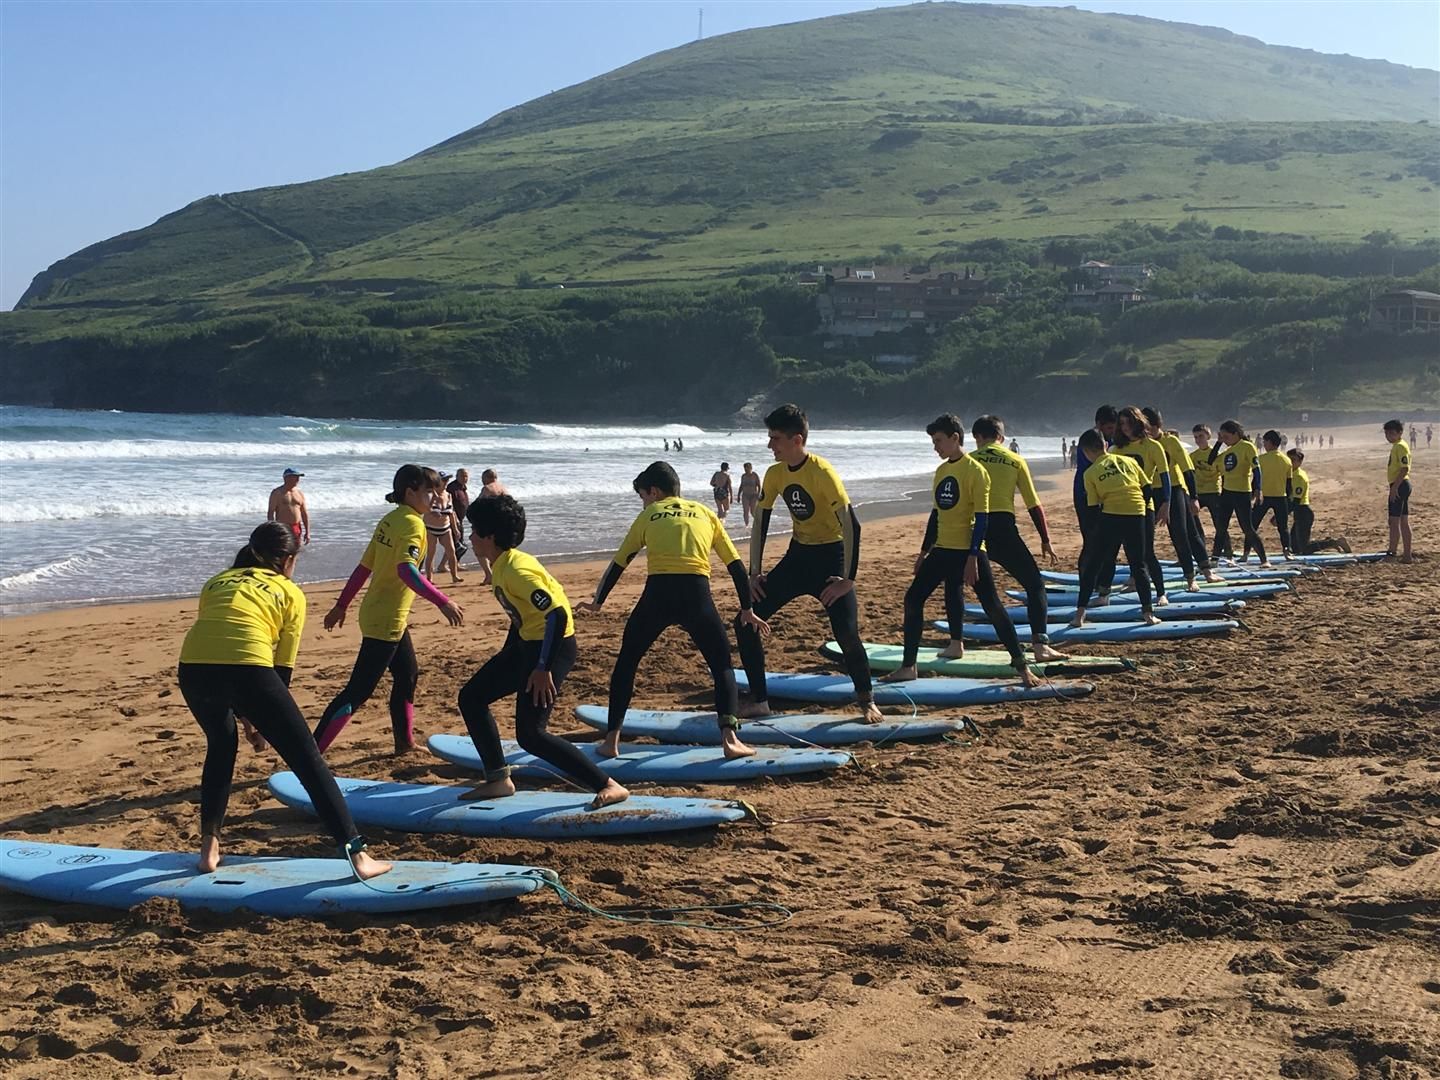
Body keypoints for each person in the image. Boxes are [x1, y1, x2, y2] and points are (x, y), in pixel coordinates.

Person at [178, 522, 390, 880]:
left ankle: (209, 849)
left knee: (220, 745)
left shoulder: (216, 582)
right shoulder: (289, 592)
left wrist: (253, 720)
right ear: (288, 560)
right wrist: (263, 721)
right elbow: (280, 669)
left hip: (194, 669)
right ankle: (358, 856)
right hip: (250, 670)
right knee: (307, 758)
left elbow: (220, 646)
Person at [580, 461, 769, 760]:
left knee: (627, 662)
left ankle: (611, 740)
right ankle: (730, 739)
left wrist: (598, 601)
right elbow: (734, 565)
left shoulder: (650, 514)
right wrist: (746, 608)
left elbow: (619, 562)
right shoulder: (706, 514)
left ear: (653, 492)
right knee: (721, 665)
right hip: (697, 597)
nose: (643, 503)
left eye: (643, 496)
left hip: (657, 596)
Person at [456, 495, 630, 808]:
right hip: (529, 644)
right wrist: (507, 656)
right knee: (471, 697)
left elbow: (557, 615)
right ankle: (498, 778)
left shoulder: (517, 571)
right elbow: (522, 616)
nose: (470, 538)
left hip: (554, 648)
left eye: (473, 532)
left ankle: (607, 784)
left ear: (489, 537)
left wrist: (542, 667)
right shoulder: (503, 566)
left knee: (531, 734)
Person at [738, 404, 881, 724]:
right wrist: (754, 573)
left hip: (832, 560)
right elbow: (760, 521)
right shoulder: (774, 474)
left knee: (845, 633)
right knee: (745, 622)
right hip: (798, 558)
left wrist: (848, 579)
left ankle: (867, 700)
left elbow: (851, 525)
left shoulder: (822, 472)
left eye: (775, 438)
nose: (769, 445)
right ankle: (759, 701)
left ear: (796, 440)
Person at [313, 466, 464, 755]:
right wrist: (443, 601)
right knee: (357, 691)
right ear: (410, 492)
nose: (436, 496)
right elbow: (406, 570)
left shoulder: (390, 520)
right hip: (387, 619)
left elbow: (363, 567)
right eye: (429, 491)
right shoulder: (412, 525)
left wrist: (341, 605)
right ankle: (311, 754)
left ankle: (404, 743)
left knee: (408, 674)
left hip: (380, 613)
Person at [883, 415, 1035, 685]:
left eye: (939, 441)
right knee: (913, 598)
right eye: (933, 442)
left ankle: (1022, 667)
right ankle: (909, 666)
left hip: (968, 552)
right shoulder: (942, 472)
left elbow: (982, 518)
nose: (935, 447)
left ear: (956, 438)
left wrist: (974, 556)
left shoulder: (976, 471)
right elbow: (936, 516)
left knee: (992, 606)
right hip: (942, 550)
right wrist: (923, 552)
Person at [968, 415, 1063, 661]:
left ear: (977, 437)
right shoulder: (1015, 460)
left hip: (971, 530)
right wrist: (1045, 539)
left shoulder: (968, 461)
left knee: (962, 587)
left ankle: (955, 643)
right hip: (1003, 529)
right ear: (1001, 437)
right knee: (1034, 584)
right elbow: (1034, 504)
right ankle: (1041, 646)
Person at [1069, 431, 1159, 628]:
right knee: (1139, 564)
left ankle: (1079, 615)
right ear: (1104, 445)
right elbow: (1147, 488)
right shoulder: (1129, 462)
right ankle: (1148, 613)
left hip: (1111, 516)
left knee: (1093, 564)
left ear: (1084, 451)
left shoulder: (1090, 472)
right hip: (1137, 514)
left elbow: (1092, 508)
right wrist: (1141, 510)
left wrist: (1096, 533)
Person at [1144, 408, 1222, 590]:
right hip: (1150, 491)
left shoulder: (1171, 442)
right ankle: (1137, 577)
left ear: (1155, 426)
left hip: (1175, 490)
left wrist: (1194, 497)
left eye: (1147, 427)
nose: (1145, 431)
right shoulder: (1143, 444)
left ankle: (1198, 574)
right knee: (1143, 536)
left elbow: (1188, 470)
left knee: (1183, 533)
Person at [1109, 406, 1170, 606]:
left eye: (1128, 423)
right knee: (1130, 551)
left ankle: (1161, 592)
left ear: (1138, 422)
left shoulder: (1152, 446)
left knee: (1147, 552)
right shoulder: (1116, 449)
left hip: (1145, 504)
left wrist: (1166, 504)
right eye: (1121, 424)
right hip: (1120, 507)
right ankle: (1137, 584)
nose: (1124, 428)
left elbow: (1164, 476)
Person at [1207, 420, 1271, 567]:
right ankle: (1215, 559)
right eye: (1222, 437)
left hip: (1242, 493)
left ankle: (1264, 559)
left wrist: (1258, 489)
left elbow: (1257, 470)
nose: (1225, 440)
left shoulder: (1247, 447)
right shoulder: (1227, 451)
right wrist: (1218, 442)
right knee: (1221, 527)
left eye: (1226, 437)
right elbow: (1211, 461)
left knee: (1247, 527)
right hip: (1227, 493)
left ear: (1236, 434)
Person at [1073, 406, 1118, 583]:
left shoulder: (1112, 441)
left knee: (1106, 541)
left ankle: (1100, 579)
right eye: (1108, 428)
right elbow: (1094, 469)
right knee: (1091, 540)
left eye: (1114, 428)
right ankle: (1086, 578)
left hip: (1104, 497)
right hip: (1084, 495)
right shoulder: (1089, 441)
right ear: (1099, 424)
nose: (1112, 432)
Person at [1286, 449, 1350, 554]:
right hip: (1298, 513)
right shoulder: (1291, 474)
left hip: (1303, 513)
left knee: (1304, 549)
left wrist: (1283, 514)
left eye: (1293, 460)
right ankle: (1329, 542)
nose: (1290, 463)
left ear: (1300, 462)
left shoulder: (1299, 477)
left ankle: (1335, 542)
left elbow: (1296, 501)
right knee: (1296, 548)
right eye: (1288, 460)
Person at [1249, 430, 1293, 560]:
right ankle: (1287, 551)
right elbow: (1289, 483)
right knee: (1283, 527)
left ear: (1269, 442)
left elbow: (1255, 480)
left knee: (1252, 525)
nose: (1264, 444)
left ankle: (1246, 553)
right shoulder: (1287, 460)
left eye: (1265, 441)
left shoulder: (1261, 459)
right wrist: (1289, 500)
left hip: (1263, 497)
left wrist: (1252, 494)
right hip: (1281, 497)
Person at [1191, 424, 1233, 560]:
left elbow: (1224, 475)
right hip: (1198, 494)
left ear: (1208, 436)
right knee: (1193, 522)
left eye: (1201, 436)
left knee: (1219, 524)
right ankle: (1200, 550)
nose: (1198, 440)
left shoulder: (1217, 454)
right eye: (1196, 437)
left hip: (1214, 492)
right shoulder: (1192, 456)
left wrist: (1226, 493)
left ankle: (1227, 552)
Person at [423, 477, 463, 585]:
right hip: (431, 528)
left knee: (451, 552)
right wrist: (432, 511)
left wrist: (455, 529)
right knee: (431, 554)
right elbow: (423, 509)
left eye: (446, 482)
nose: (445, 484)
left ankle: (455, 576)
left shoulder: (448, 495)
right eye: (443, 482)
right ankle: (429, 578)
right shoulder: (431, 496)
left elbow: (451, 513)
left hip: (445, 528)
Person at [1384, 419, 1413, 562]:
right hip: (1402, 484)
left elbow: (1404, 468)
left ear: (1400, 433)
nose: (1388, 436)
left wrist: (1394, 488)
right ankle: (1407, 555)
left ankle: (1392, 553)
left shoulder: (1400, 446)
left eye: (1391, 433)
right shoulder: (1397, 445)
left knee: (1394, 520)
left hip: (1400, 485)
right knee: (1403, 520)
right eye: (1387, 433)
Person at [475, 469, 509, 585]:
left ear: (487, 478)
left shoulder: (487, 489)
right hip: (503, 523)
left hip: (489, 524)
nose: (482, 481)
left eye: (483, 478)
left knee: (480, 550)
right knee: (499, 550)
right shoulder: (503, 488)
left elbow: (478, 505)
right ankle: (502, 575)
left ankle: (489, 575)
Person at [267, 468, 310, 546]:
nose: (298, 479)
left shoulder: (299, 493)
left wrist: (307, 532)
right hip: (283, 528)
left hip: (296, 527)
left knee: (296, 551)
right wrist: (272, 529)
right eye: (295, 477)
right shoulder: (277, 493)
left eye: (298, 477)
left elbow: (304, 514)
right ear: (286, 478)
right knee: (284, 551)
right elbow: (271, 512)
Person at [447, 469, 472, 563]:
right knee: (455, 543)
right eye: (462, 476)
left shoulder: (463, 487)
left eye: (466, 476)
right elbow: (450, 505)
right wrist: (455, 519)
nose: (465, 478)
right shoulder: (452, 488)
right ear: (457, 476)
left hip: (460, 519)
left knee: (459, 543)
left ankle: (456, 563)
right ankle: (453, 564)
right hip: (453, 519)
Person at [737, 462, 761, 526]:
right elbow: (741, 486)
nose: (746, 470)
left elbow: (759, 485)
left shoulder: (755, 475)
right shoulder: (743, 476)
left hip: (753, 495)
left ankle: (758, 523)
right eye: (745, 469)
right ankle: (746, 525)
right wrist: (738, 495)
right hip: (745, 495)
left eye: (747, 469)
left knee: (752, 511)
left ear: (750, 468)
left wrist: (758, 493)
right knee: (745, 511)